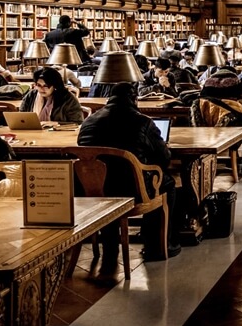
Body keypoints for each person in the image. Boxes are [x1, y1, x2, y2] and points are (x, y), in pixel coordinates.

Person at [77, 82, 181, 276]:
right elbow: (164, 158)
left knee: (111, 182)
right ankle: (156, 244)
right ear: (134, 100)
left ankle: (110, 246)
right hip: (133, 189)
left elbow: (84, 152)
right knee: (167, 183)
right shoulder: (143, 122)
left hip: (94, 190)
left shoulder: (89, 122)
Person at [20, 66, 84, 123]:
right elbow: (21, 117)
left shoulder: (67, 98)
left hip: (59, 135)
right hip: (33, 133)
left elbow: (78, 122)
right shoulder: (31, 95)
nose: (42, 89)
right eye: (39, 85)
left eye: (46, 86)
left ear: (54, 86)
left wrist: (56, 123)